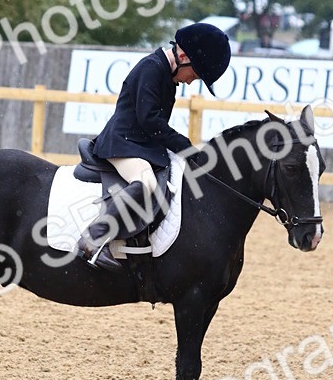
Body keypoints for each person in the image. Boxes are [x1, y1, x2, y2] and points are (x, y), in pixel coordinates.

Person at [77, 21, 232, 270]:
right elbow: (150, 120)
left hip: (142, 144)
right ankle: (93, 238)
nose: (191, 81)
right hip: (122, 143)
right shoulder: (151, 68)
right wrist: (185, 146)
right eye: (194, 74)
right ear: (183, 56)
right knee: (146, 183)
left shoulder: (168, 75)